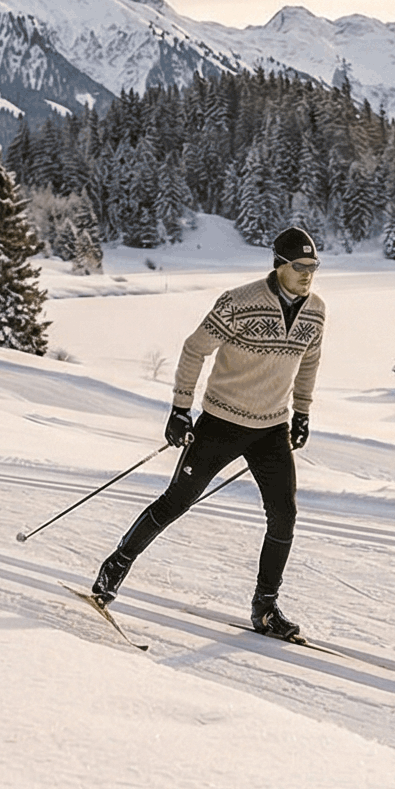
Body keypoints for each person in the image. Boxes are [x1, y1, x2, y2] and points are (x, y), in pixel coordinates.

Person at [89, 226, 326, 639]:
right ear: (279, 264)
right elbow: (194, 348)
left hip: (272, 428)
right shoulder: (238, 302)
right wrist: (181, 408)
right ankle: (114, 568)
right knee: (175, 502)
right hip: (221, 422)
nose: (308, 274)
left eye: (313, 266)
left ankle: (265, 609)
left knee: (284, 515)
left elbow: (310, 362)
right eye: (300, 266)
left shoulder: (317, 310)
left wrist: (301, 413)